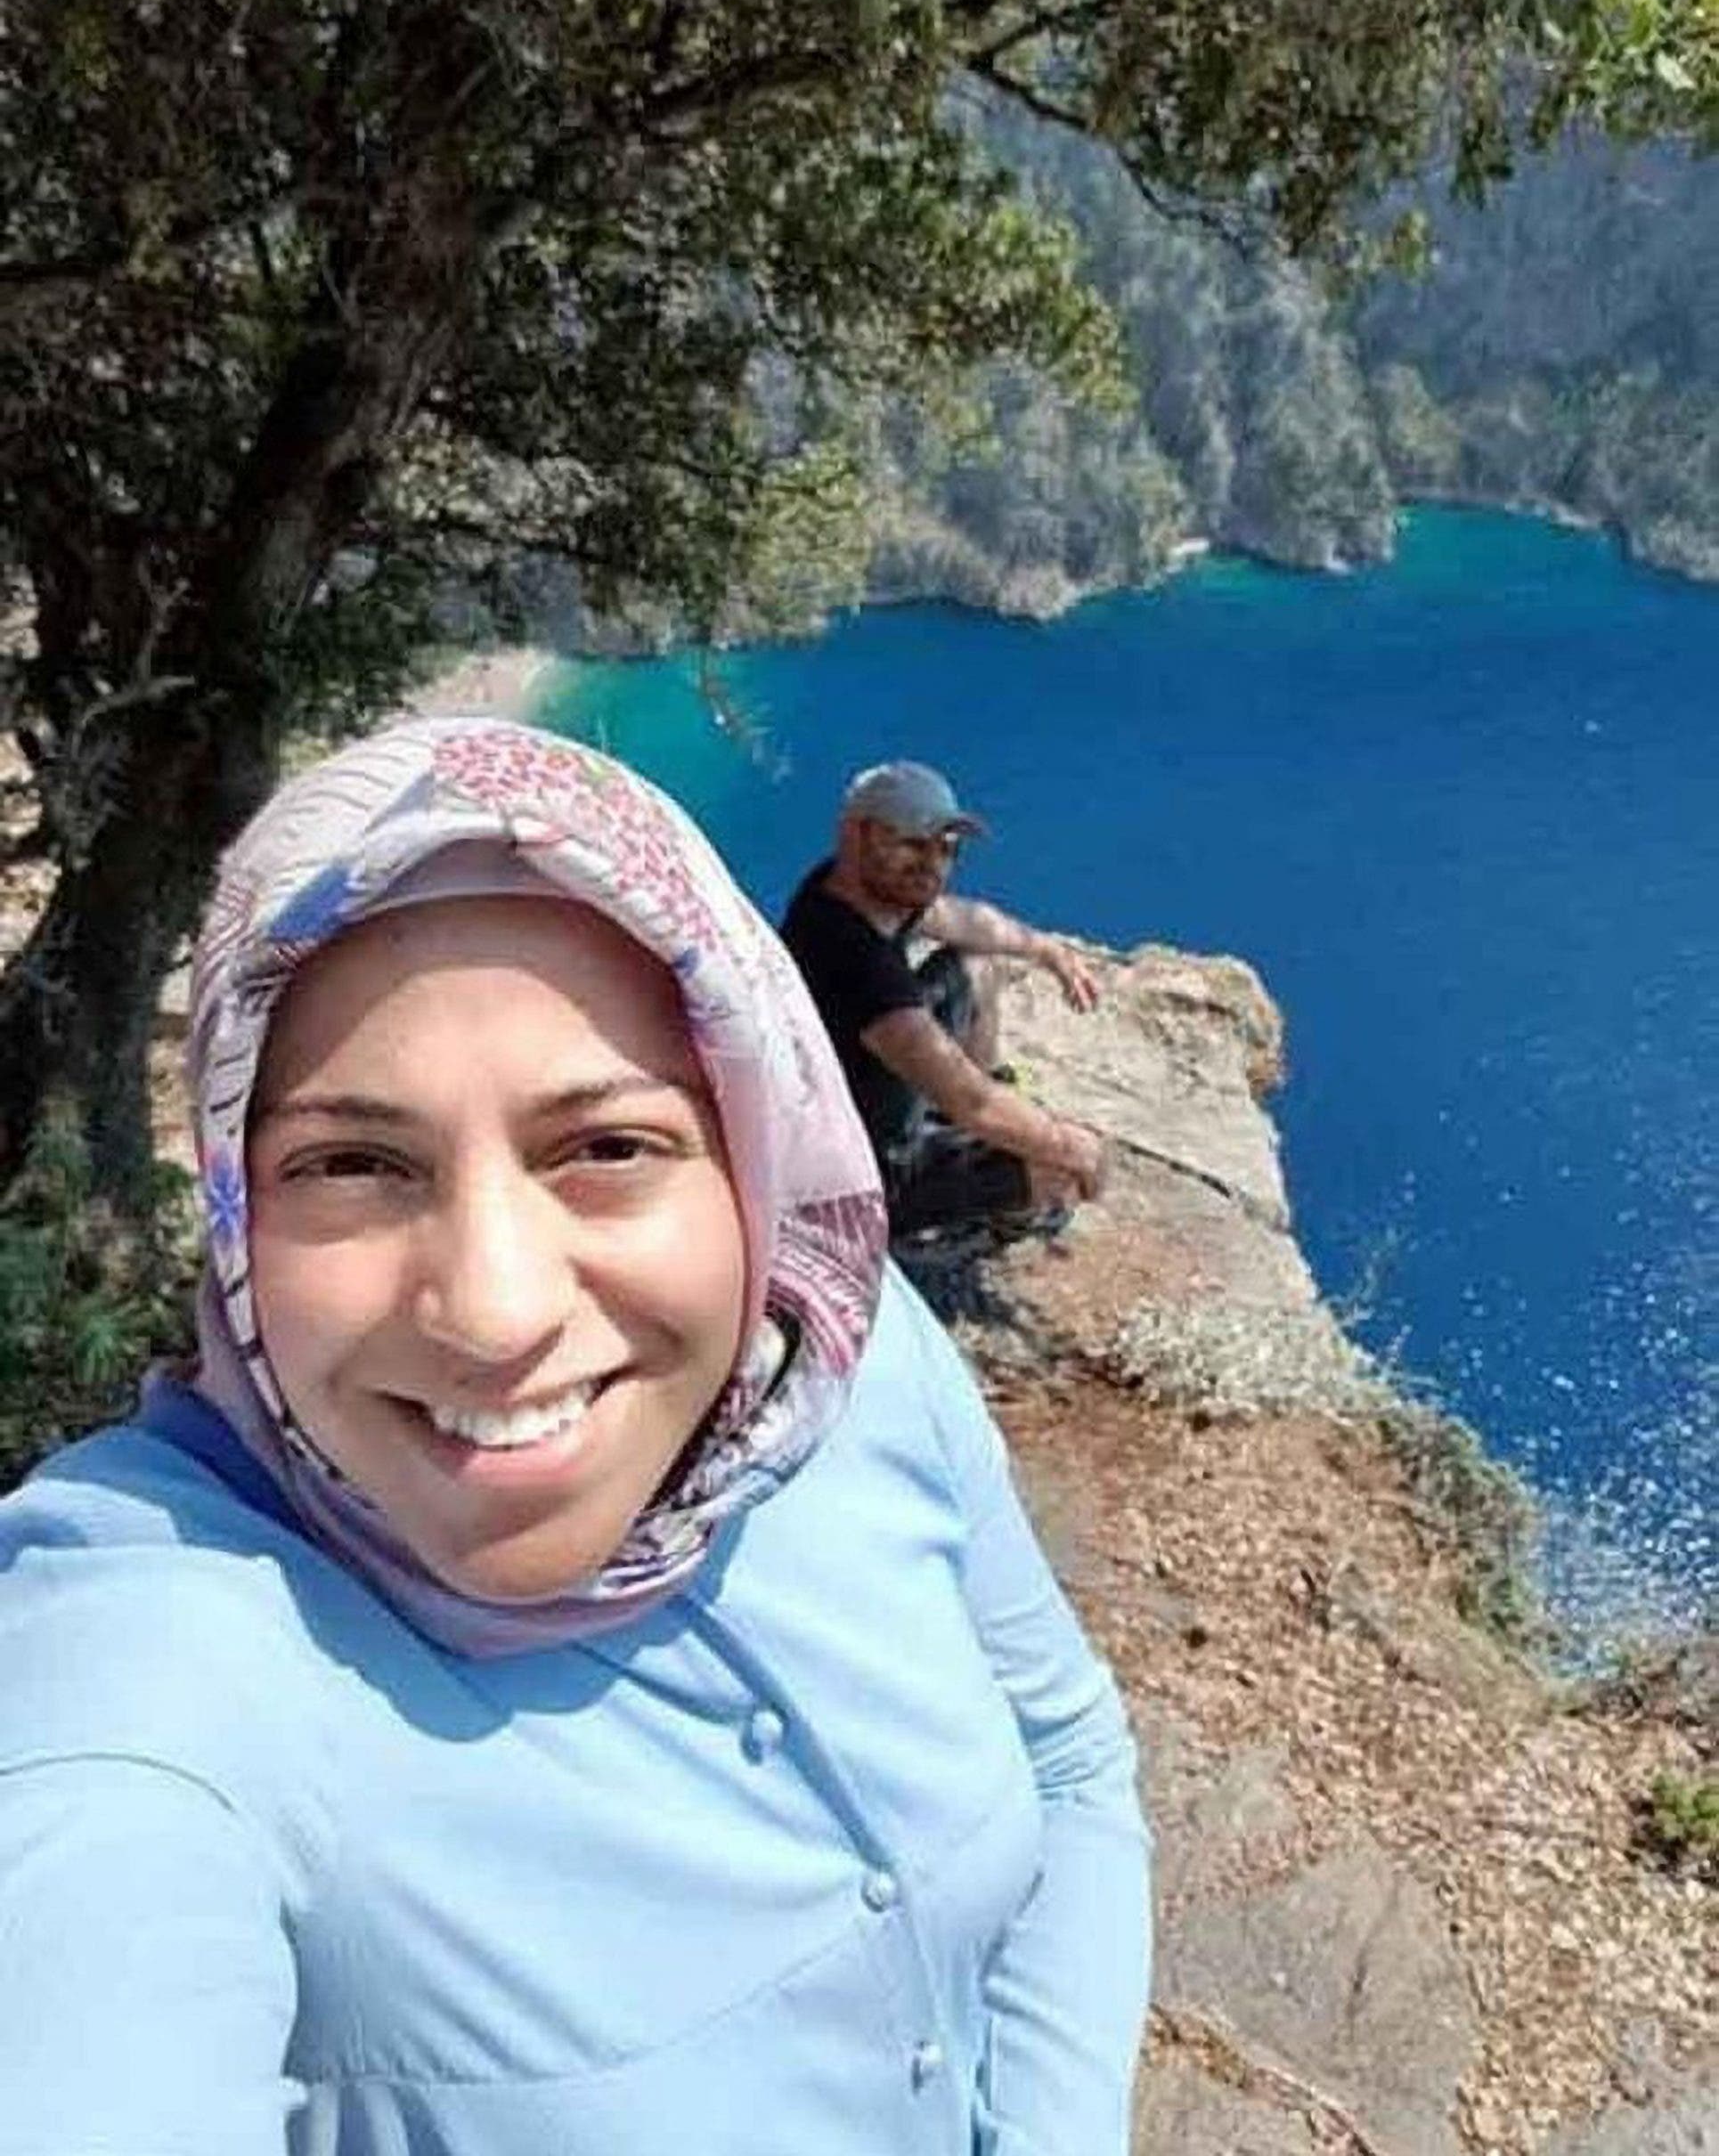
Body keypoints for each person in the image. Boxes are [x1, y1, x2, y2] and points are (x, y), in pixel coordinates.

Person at [0, 716, 1149, 2154]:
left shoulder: (853, 1372)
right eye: (350, 1165)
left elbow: (1071, 1763)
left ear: (752, 1157)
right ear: (233, 1208)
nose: (492, 1310)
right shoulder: (149, 1655)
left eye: (607, 1147)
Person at [780, 760, 1107, 1241]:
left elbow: (962, 921)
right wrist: (1071, 1145)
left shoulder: (852, 889)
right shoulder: (856, 959)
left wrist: (1047, 950)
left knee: (976, 966)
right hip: (864, 1177)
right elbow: (970, 1101)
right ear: (857, 835)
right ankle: (1004, 1216)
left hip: (869, 1095)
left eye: (947, 848)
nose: (933, 865)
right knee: (1058, 1168)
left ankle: (973, 1138)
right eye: (913, 843)